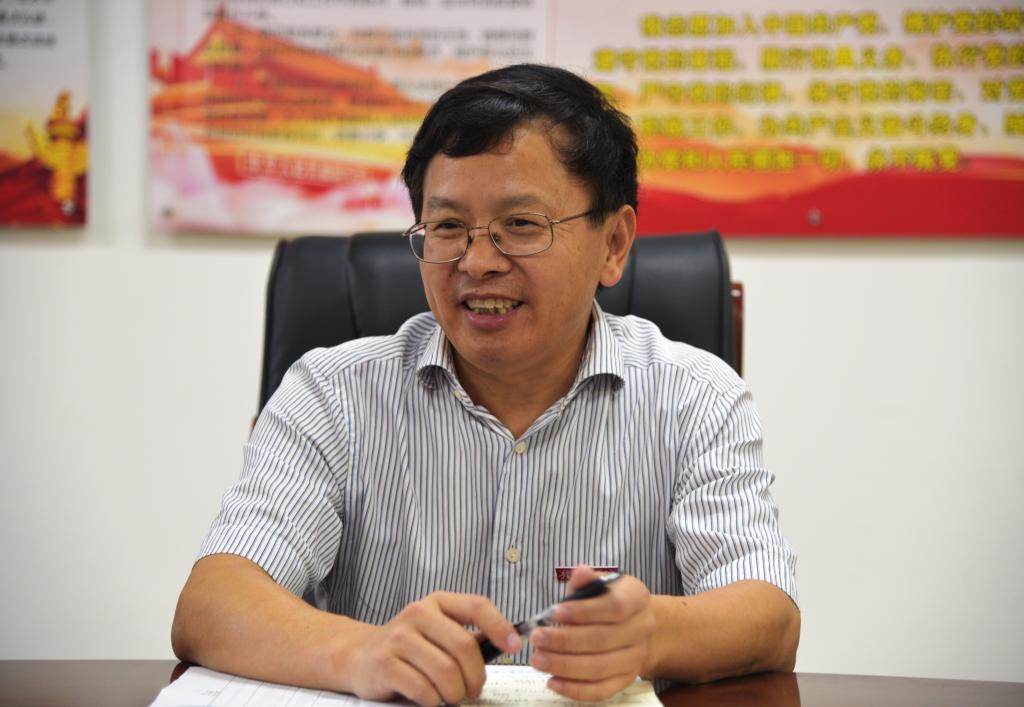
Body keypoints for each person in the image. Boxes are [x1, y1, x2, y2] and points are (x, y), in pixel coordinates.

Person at [171, 63, 799, 706]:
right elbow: (213, 602)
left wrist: (654, 633)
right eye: (447, 227)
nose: (476, 262)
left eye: (520, 225)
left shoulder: (694, 397)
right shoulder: (332, 394)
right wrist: (363, 653)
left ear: (613, 243)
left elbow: (769, 616)